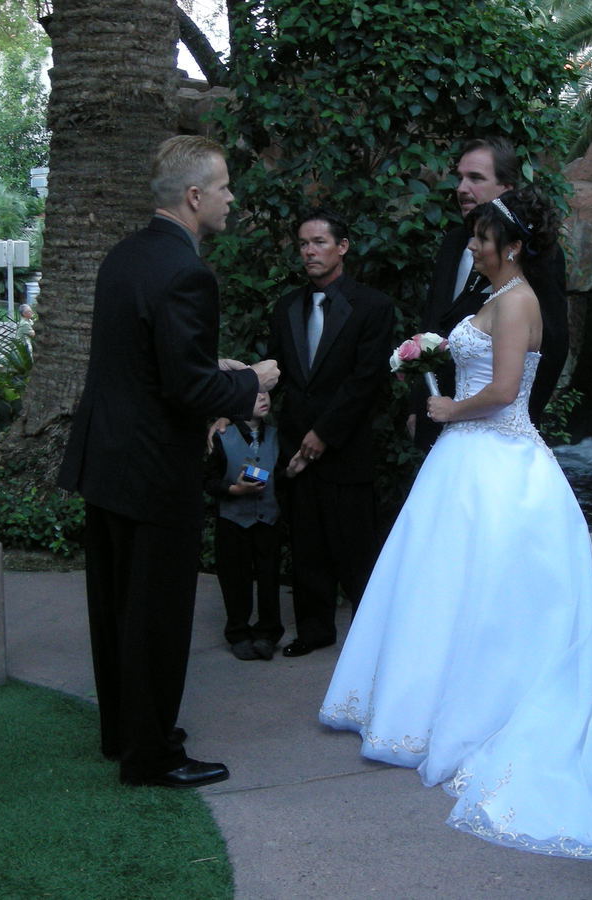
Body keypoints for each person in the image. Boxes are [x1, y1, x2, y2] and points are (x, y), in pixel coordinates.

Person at [320, 187, 592, 859]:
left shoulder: (520, 301)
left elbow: (502, 392)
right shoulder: (496, 298)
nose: (472, 245)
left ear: (513, 246)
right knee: (440, 584)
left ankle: (471, 710)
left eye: (482, 237)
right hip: (466, 462)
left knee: (483, 591)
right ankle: (415, 706)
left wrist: (447, 410)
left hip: (497, 458)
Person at [58, 135, 279, 789]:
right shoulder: (188, 272)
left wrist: (215, 368)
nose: (231, 198)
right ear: (194, 195)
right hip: (154, 474)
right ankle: (151, 757)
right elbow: (186, 389)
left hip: (108, 465)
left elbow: (144, 361)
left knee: (116, 611)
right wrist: (252, 380)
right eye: (224, 187)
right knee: (155, 618)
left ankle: (125, 737)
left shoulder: (123, 256)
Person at [267, 209, 395, 658]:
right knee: (306, 547)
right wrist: (236, 408)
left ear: (342, 247)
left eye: (319, 242)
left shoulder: (373, 306)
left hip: (346, 447)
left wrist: (324, 433)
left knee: (356, 549)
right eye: (303, 243)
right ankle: (314, 630)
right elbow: (278, 372)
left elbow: (366, 380)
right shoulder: (286, 307)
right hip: (295, 449)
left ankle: (369, 640)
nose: (309, 251)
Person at [409, 137, 568, 451]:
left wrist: (517, 425)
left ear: (506, 188)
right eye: (460, 178)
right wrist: (419, 405)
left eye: (476, 178)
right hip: (437, 414)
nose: (462, 188)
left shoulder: (538, 260)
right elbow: (433, 326)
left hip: (496, 433)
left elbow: (552, 345)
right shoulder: (453, 243)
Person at [204, 390, 283, 662]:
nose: (263, 398)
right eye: (255, 393)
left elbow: (281, 475)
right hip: (233, 520)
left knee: (269, 577)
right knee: (235, 578)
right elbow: (209, 480)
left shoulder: (276, 435)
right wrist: (233, 489)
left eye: (266, 393)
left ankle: (268, 633)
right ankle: (238, 633)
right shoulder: (223, 436)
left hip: (268, 518)